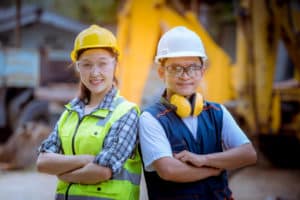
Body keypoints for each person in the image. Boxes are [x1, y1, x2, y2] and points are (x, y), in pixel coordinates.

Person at [139, 26, 257, 200]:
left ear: (202, 72)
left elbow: (248, 154)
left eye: (193, 67)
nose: (185, 76)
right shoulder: (150, 119)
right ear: (161, 72)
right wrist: (216, 168)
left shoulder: (217, 112)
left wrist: (204, 160)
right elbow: (169, 170)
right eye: (175, 68)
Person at [36, 24, 142, 200]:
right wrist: (87, 159)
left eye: (102, 63)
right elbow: (43, 162)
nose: (95, 72)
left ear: (116, 64)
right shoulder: (70, 113)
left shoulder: (126, 112)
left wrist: (66, 176)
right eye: (86, 64)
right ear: (77, 67)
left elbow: (103, 171)